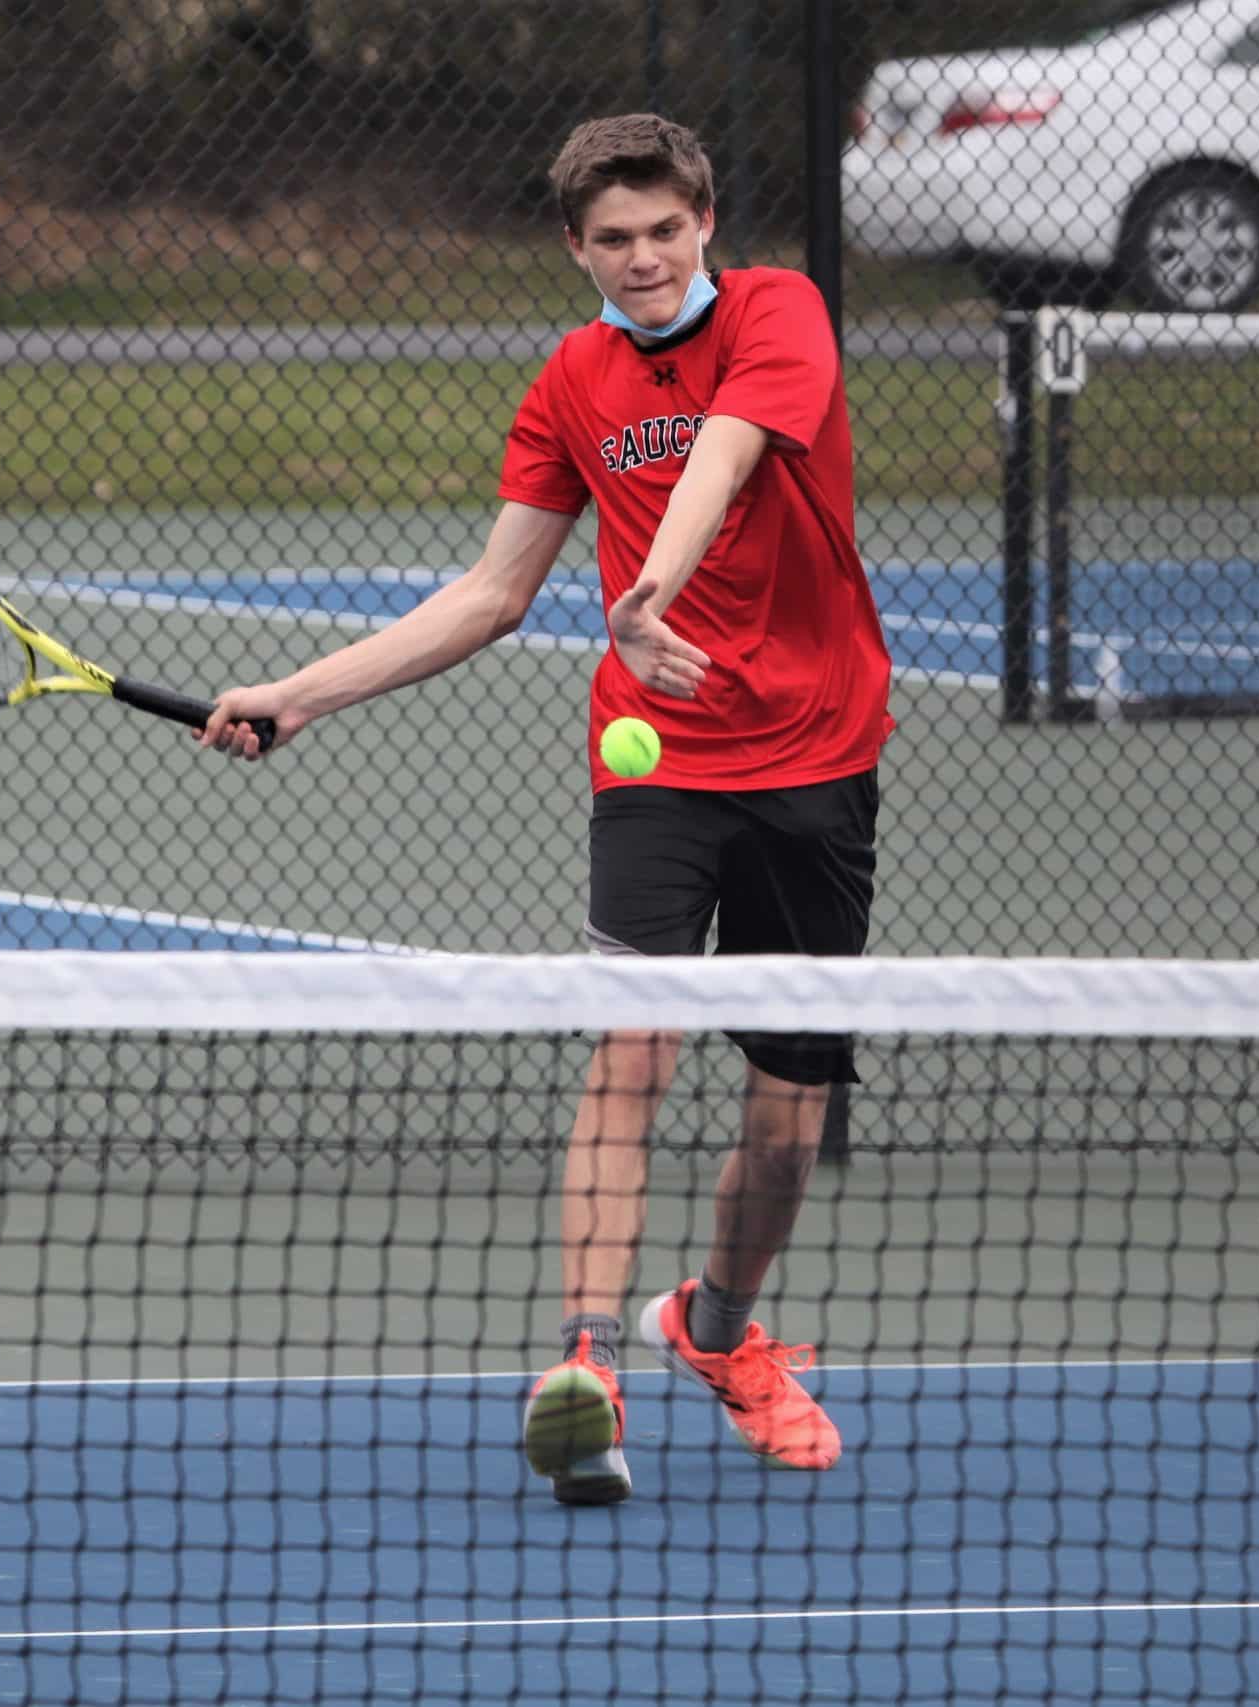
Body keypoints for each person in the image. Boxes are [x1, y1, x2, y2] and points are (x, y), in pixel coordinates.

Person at [199, 112, 893, 1505]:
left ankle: (713, 1331)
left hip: (817, 754)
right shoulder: (568, 383)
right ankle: (583, 1368)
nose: (643, 259)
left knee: (786, 1115)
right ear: (576, 247)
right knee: (628, 1056)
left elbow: (730, 454)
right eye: (613, 240)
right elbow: (491, 592)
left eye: (664, 231)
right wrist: (302, 692)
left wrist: (651, 588)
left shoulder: (780, 311)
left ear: (704, 221)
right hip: (658, 766)